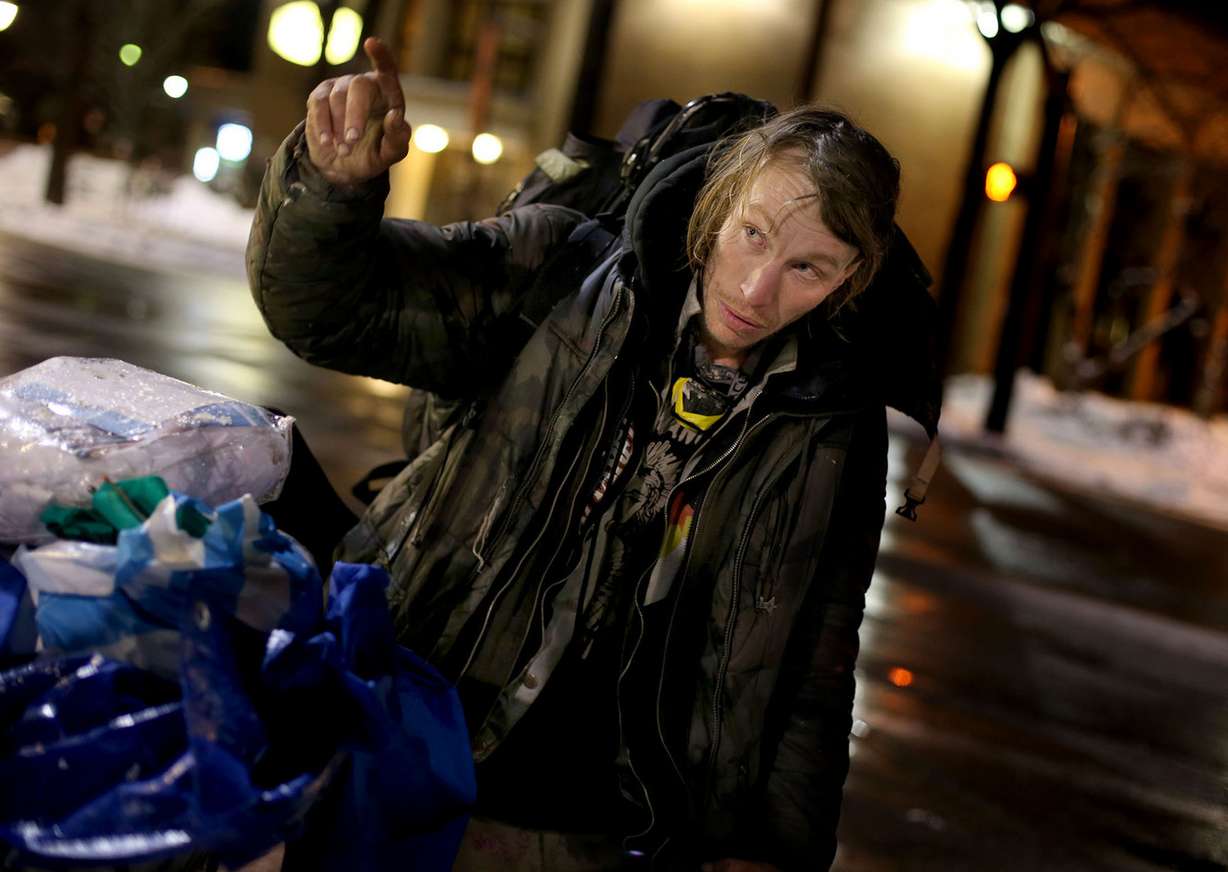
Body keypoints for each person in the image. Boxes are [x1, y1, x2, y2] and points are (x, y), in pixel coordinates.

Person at [248, 36, 940, 872]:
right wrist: (333, 187)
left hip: (588, 827)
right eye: (751, 234)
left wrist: (776, 851)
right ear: (716, 206)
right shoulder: (558, 271)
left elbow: (813, 669)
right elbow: (333, 309)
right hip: (403, 725)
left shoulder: (833, 427)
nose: (758, 291)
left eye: (809, 268)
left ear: (853, 277)